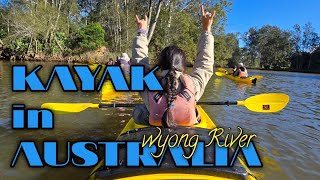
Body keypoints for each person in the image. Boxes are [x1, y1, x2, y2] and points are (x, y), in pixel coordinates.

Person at [131, 5, 215, 127]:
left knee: (139, 111)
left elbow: (138, 63)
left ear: (160, 66)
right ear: (183, 68)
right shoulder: (194, 84)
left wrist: (141, 32)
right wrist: (206, 30)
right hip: (188, 130)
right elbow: (204, 63)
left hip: (155, 125)